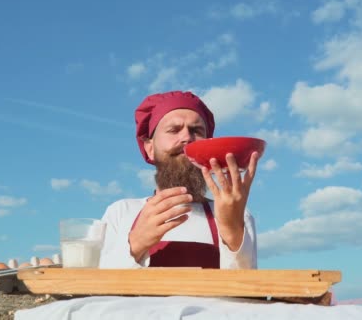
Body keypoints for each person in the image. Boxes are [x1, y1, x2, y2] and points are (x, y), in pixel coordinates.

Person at [98, 91, 260, 269]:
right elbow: (97, 286)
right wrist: (135, 244)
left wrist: (232, 231)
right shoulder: (120, 213)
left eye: (196, 130)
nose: (187, 138)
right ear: (149, 148)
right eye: (174, 130)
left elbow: (246, 289)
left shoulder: (238, 214)